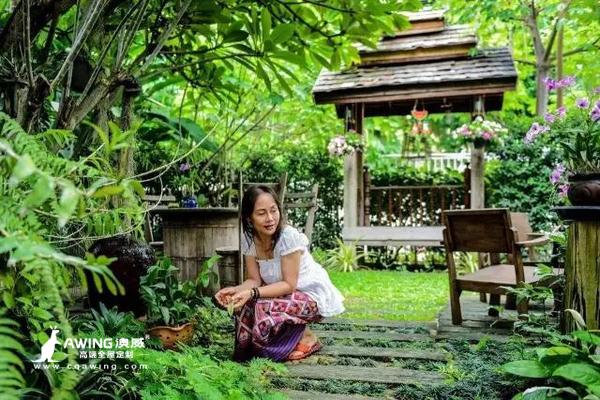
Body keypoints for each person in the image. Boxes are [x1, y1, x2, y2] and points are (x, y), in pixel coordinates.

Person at [215, 184, 345, 362]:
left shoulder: (288, 236)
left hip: (310, 295)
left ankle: (304, 339)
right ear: (249, 218)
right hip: (282, 295)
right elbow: (254, 280)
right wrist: (236, 291)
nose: (270, 218)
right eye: (261, 213)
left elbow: (289, 285)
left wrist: (252, 293)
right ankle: (250, 352)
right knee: (247, 306)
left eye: (273, 211)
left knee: (262, 306)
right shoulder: (249, 239)